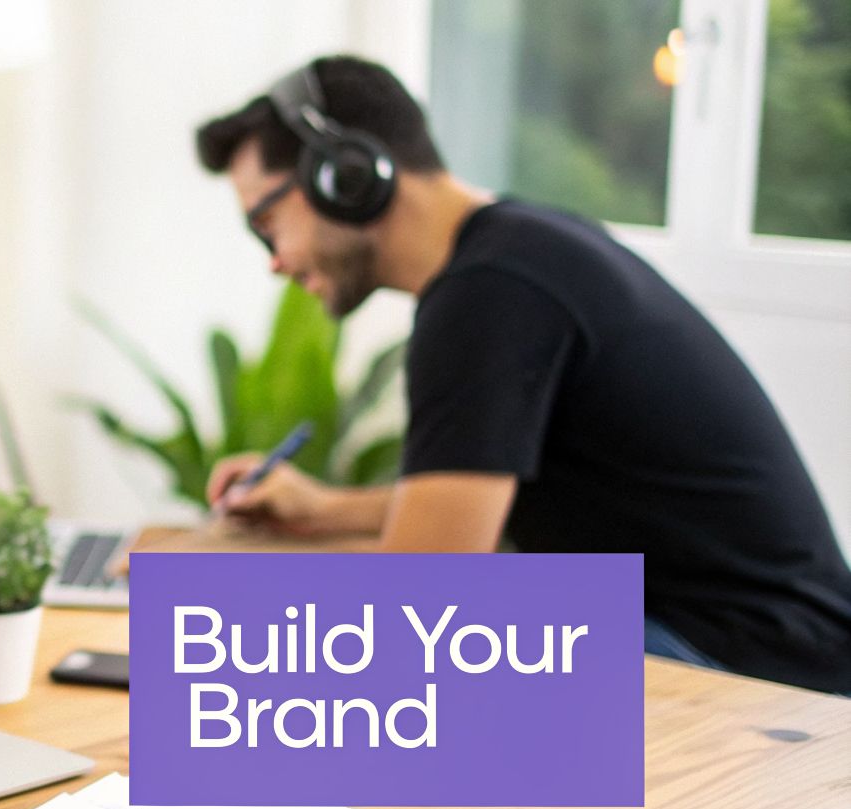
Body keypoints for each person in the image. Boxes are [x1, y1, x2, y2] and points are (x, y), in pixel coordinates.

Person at [194, 55, 851, 696]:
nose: (273, 262)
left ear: (346, 174)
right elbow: (485, 516)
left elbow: (417, 599)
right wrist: (328, 510)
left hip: (756, 672)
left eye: (266, 223)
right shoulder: (523, 246)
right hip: (766, 642)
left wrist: (211, 593)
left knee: (282, 699)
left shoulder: (488, 294)